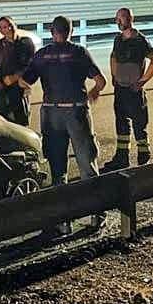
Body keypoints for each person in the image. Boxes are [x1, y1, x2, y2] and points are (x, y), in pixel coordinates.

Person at [19, 15, 107, 198]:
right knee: (87, 165)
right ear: (71, 32)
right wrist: (94, 92)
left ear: (51, 32)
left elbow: (23, 81)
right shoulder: (79, 52)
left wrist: (28, 90)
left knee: (58, 171)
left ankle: (62, 222)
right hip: (76, 112)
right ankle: (96, 213)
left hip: (51, 113)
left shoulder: (42, 54)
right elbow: (100, 81)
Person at [103, 7, 153, 170]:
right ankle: (122, 157)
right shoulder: (118, 39)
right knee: (121, 124)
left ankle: (144, 155)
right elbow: (113, 56)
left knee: (139, 123)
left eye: (120, 18)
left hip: (134, 90)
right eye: (116, 19)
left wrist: (142, 81)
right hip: (120, 89)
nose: (118, 22)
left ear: (130, 19)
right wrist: (114, 76)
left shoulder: (140, 41)